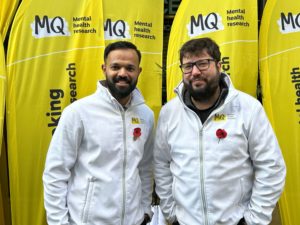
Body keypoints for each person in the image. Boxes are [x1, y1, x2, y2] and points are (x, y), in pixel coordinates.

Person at [153, 37, 286, 225]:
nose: (195, 72)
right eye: (188, 66)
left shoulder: (248, 108)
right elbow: (161, 165)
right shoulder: (169, 113)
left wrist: (253, 220)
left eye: (203, 63)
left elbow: (271, 166)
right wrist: (172, 213)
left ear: (219, 65)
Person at [43, 41, 154, 225]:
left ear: (139, 72)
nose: (122, 74)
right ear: (104, 68)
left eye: (130, 68)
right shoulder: (78, 112)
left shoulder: (146, 115)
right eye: (115, 67)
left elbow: (145, 169)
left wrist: (145, 211)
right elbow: (55, 173)